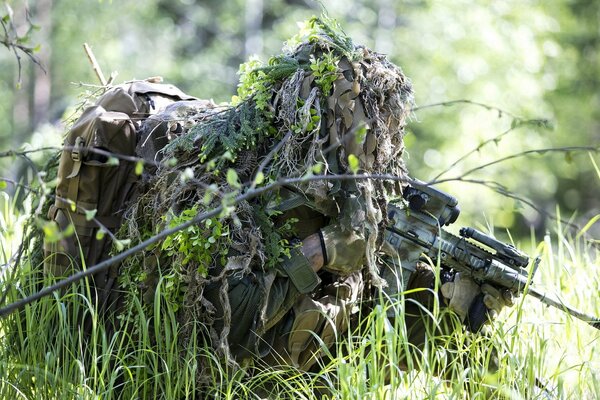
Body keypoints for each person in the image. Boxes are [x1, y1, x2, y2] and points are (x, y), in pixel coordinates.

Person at [125, 17, 515, 375]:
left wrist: (447, 295)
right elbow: (224, 329)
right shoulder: (236, 182)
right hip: (229, 373)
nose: (375, 152)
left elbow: (383, 273)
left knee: (441, 319)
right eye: (365, 133)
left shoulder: (343, 189)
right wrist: (320, 251)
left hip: (302, 348)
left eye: (383, 138)